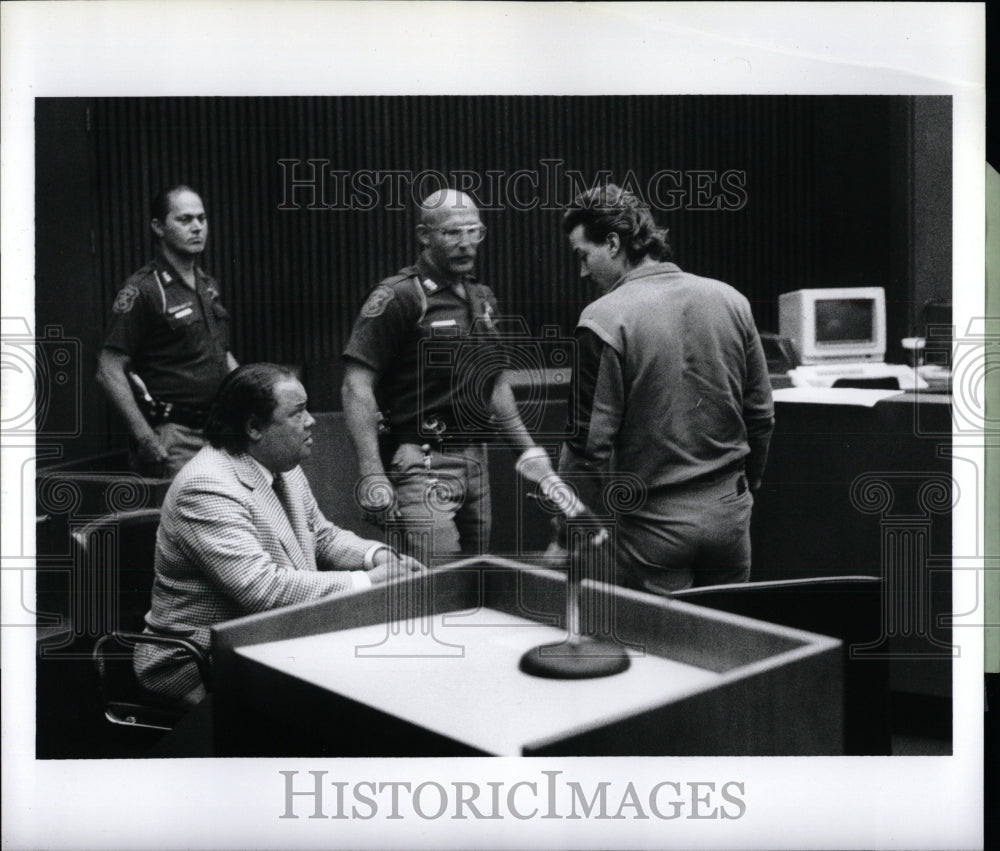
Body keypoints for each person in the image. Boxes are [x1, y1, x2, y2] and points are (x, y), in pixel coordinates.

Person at [133, 363, 425, 707]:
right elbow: (263, 588)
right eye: (298, 412)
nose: (311, 420)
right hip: (197, 664)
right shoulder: (206, 486)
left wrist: (375, 556)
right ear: (254, 426)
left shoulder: (282, 466)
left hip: (264, 642)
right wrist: (368, 582)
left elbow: (322, 536)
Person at [556, 183, 775, 594]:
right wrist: (747, 490)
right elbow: (761, 415)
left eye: (583, 255)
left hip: (653, 527)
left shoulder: (602, 318)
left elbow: (586, 447)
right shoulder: (731, 300)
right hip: (731, 516)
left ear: (614, 243)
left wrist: (565, 525)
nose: (583, 271)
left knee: (663, 652)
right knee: (730, 645)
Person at [341, 189, 556, 562]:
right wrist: (371, 472)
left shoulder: (483, 297)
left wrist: (531, 454)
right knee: (437, 586)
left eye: (475, 231)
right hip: (422, 464)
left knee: (475, 582)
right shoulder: (399, 296)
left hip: (476, 460)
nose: (466, 243)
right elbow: (355, 385)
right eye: (453, 233)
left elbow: (496, 386)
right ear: (425, 235)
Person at [97, 185, 238, 478]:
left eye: (202, 218)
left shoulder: (207, 285)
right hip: (175, 438)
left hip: (218, 433)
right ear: (158, 227)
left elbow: (219, 355)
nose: (197, 227)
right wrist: (145, 437)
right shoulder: (144, 289)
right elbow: (108, 369)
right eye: (185, 220)